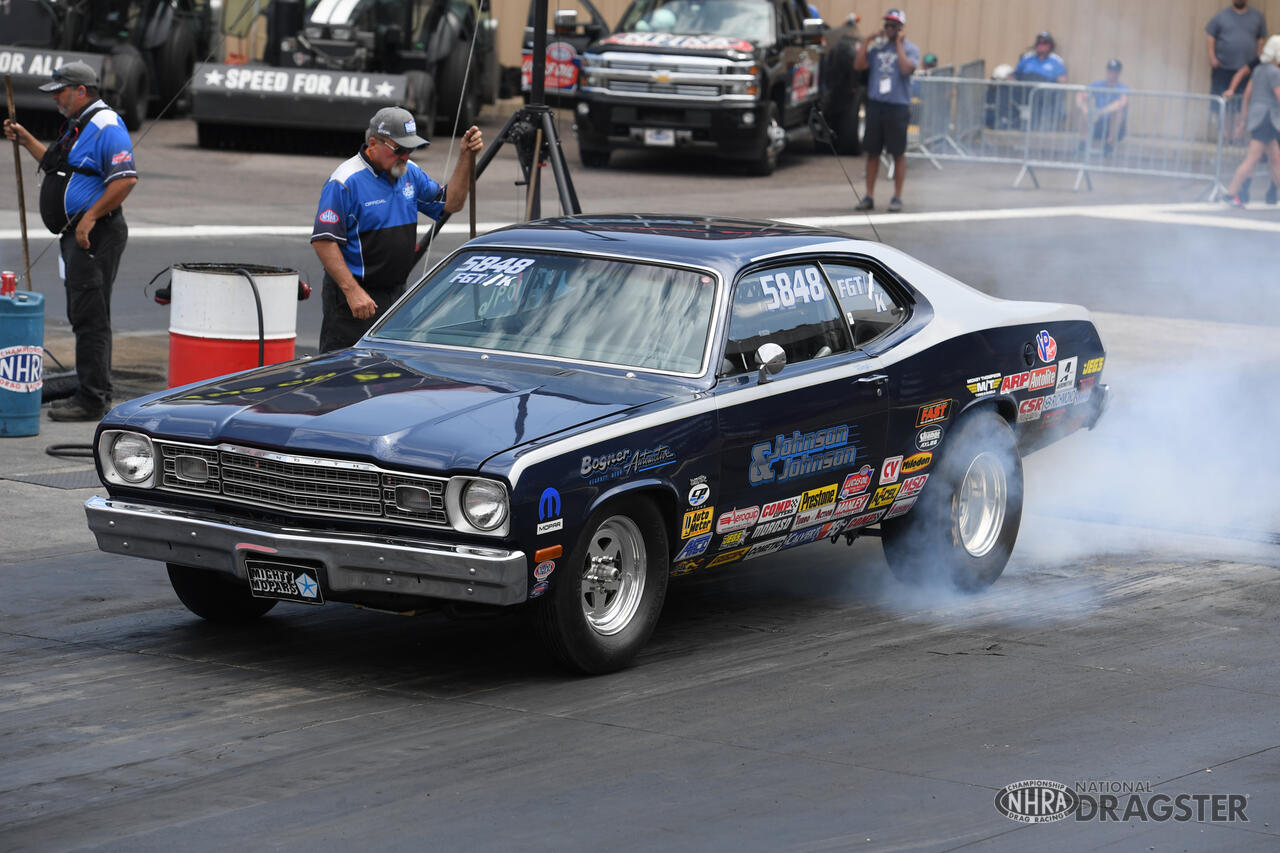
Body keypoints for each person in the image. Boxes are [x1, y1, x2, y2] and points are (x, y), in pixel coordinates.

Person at [3, 62, 137, 421]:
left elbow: (125, 179)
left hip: (96, 231)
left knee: (90, 316)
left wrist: (90, 217)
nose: (56, 99)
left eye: (60, 92)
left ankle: (92, 399)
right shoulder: (79, 126)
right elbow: (54, 164)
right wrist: (25, 137)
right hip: (78, 232)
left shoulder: (106, 125)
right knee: (84, 313)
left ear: (81, 91)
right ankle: (91, 390)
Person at [312, 107, 483, 352]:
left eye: (411, 149)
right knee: (345, 377)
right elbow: (324, 241)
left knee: (388, 373)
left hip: (395, 295)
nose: (405, 156)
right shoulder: (345, 181)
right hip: (357, 298)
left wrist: (466, 156)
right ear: (373, 144)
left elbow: (451, 203)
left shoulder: (409, 172)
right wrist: (352, 291)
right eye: (399, 149)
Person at [853, 8, 920, 213]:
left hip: (897, 107)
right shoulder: (877, 49)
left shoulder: (910, 49)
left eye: (893, 26)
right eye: (887, 25)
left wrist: (898, 43)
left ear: (900, 28)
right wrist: (867, 41)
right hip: (876, 105)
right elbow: (859, 65)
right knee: (872, 152)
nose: (889, 29)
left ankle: (897, 197)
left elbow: (906, 69)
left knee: (897, 153)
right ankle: (869, 196)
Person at [1223, 33, 1280, 203]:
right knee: (1252, 159)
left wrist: (1243, 120)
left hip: (1259, 119)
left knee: (1275, 159)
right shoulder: (1274, 73)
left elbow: (1248, 95)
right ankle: (1231, 193)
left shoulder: (1258, 70)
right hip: (1267, 119)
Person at [1206, 0, 1268, 112]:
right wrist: (1212, 57)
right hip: (1223, 68)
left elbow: (1261, 38)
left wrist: (1257, 59)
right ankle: (1222, 129)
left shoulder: (1257, 16)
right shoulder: (1221, 15)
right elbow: (1211, 35)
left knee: (1241, 105)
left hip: (1246, 69)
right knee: (1220, 104)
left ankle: (1238, 128)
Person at [1076, 59, 1129, 155]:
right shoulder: (1097, 84)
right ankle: (1083, 141)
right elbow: (1081, 95)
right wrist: (1085, 109)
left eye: (1114, 71)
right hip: (1098, 124)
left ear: (1119, 73)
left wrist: (1101, 112)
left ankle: (1109, 143)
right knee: (1084, 109)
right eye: (1110, 70)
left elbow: (1122, 102)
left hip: (1114, 127)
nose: (1112, 73)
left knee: (1118, 112)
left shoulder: (1122, 88)